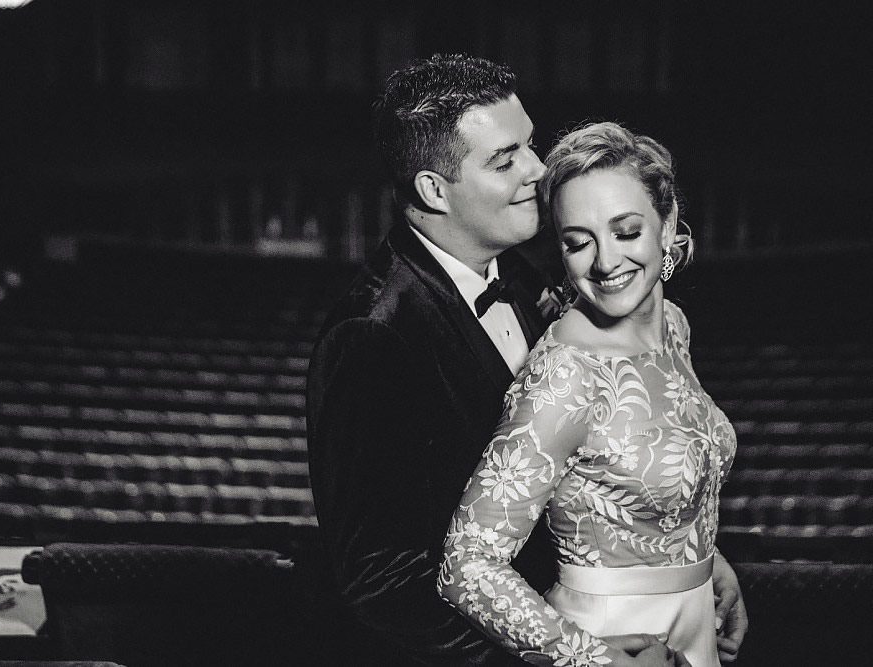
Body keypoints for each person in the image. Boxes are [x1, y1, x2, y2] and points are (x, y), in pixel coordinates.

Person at [308, 54, 720, 666]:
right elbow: (381, 579)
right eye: (506, 161)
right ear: (432, 189)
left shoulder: (526, 276)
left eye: (530, 144)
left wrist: (679, 561)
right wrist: (567, 654)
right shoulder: (372, 333)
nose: (537, 169)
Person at [436, 121, 748, 667]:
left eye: (626, 231)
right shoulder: (565, 375)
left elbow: (648, 475)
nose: (605, 263)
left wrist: (705, 562)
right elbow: (466, 566)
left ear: (668, 222)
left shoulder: (673, 325)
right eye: (578, 242)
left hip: (694, 625)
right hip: (616, 644)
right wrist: (593, 661)